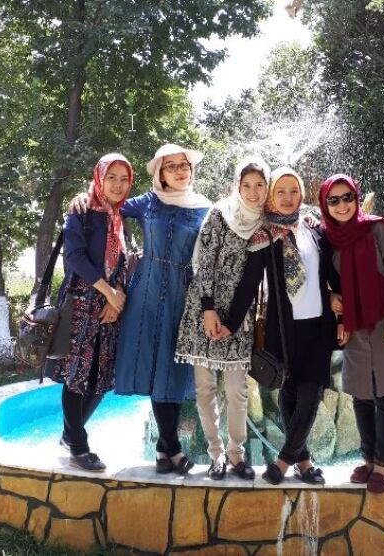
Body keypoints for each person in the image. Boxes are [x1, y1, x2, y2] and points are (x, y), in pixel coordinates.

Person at [221, 167, 337, 485]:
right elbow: (248, 284)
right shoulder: (265, 236)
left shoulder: (315, 231)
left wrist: (339, 299)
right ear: (272, 195)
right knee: (289, 394)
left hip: (318, 328)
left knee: (311, 395)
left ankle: (284, 462)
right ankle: (305, 462)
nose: (287, 198)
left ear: (302, 194)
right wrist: (231, 322)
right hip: (283, 331)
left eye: (293, 191)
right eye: (281, 191)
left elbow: (331, 273)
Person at [318, 173, 384, 493]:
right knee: (361, 394)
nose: (341, 205)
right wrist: (330, 296)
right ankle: (367, 459)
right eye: (333, 200)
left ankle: (383, 465)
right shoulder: (328, 238)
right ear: (325, 204)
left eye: (347, 197)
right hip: (354, 324)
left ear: (355, 197)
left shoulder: (377, 228)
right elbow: (327, 281)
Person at [112, 143, 210, 475]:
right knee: (155, 369)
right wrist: (85, 198)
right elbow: (110, 204)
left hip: (184, 294)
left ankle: (165, 448)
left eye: (185, 165)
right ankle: (171, 449)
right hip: (146, 295)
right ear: (160, 174)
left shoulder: (206, 209)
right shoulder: (147, 203)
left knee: (173, 369)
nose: (181, 170)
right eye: (172, 166)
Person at [175, 156, 270, 481]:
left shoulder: (264, 226)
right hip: (205, 308)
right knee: (204, 389)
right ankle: (215, 455)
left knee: (236, 390)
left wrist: (231, 320)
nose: (254, 192)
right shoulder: (220, 213)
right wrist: (208, 309)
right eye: (247, 185)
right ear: (237, 186)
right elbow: (203, 261)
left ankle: (236, 455)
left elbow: (253, 278)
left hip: (238, 317)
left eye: (260, 185)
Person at [47, 153, 133, 472]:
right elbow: (75, 259)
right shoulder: (82, 212)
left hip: (109, 310)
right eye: (111, 177)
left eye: (124, 179)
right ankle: (79, 448)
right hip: (82, 305)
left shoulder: (120, 218)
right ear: (99, 178)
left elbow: (124, 263)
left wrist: (116, 298)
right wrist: (108, 292)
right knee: (76, 376)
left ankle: (70, 434)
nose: (118, 185)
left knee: (100, 378)